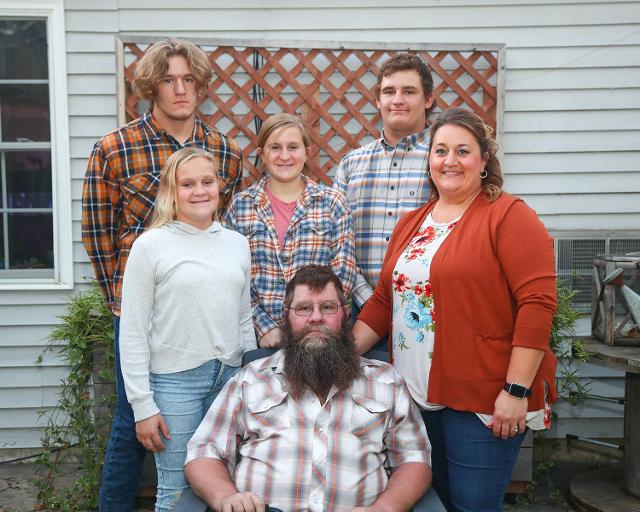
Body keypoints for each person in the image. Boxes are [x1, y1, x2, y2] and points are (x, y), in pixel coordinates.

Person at [353, 108, 558, 511]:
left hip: (483, 399)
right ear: (429, 161)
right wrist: (338, 355)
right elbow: (383, 302)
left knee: (471, 506)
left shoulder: (509, 216)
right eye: (440, 150)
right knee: (435, 502)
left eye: (463, 151)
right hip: (415, 397)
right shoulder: (412, 222)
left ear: (484, 161)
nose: (450, 161)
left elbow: (537, 304)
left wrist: (516, 391)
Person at [81, 38, 242, 511]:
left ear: (201, 87)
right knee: (132, 418)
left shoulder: (222, 151)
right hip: (137, 307)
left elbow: (218, 231)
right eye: (168, 80)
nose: (179, 90)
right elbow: (98, 235)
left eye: (188, 80)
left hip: (201, 313)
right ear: (151, 87)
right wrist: (121, 302)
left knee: (206, 433)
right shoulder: (114, 149)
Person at [184, 264, 432, 512]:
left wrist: (387, 507)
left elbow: (414, 459)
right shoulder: (250, 379)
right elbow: (205, 451)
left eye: (327, 307)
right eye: (304, 308)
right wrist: (226, 497)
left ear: (346, 314)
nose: (316, 317)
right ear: (287, 316)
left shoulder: (386, 381)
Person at [119, 147, 255, 511]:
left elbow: (243, 320)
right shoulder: (150, 246)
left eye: (207, 182)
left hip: (229, 380)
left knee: (228, 481)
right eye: (187, 184)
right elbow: (132, 331)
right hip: (175, 384)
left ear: (219, 187)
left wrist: (250, 378)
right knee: (176, 490)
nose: (199, 191)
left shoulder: (237, 244)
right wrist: (143, 406)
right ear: (171, 191)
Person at [223, 113, 356, 348]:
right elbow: (233, 278)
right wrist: (264, 327)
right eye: (275, 147)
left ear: (307, 151)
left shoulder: (332, 203)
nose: (284, 156)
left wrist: (315, 322)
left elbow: (343, 276)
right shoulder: (241, 206)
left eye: (293, 147)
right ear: (262, 154)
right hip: (261, 340)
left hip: (319, 337)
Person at [334, 53, 435, 342]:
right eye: (389, 92)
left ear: (428, 99)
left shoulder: (442, 161)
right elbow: (338, 244)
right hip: (358, 312)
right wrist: (367, 299)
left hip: (427, 313)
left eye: (409, 91)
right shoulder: (351, 164)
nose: (397, 99)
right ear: (377, 100)